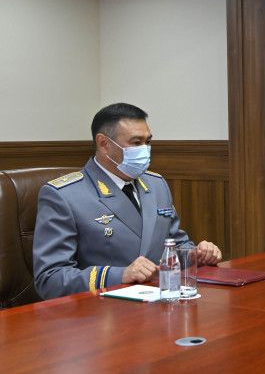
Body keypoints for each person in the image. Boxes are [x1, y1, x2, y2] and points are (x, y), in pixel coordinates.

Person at [33, 103, 222, 299]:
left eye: (148, 142)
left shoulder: (156, 184)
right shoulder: (64, 195)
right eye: (136, 142)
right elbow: (49, 279)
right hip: (103, 309)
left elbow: (173, 245)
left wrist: (196, 254)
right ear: (103, 144)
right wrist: (119, 275)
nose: (145, 150)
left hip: (161, 302)